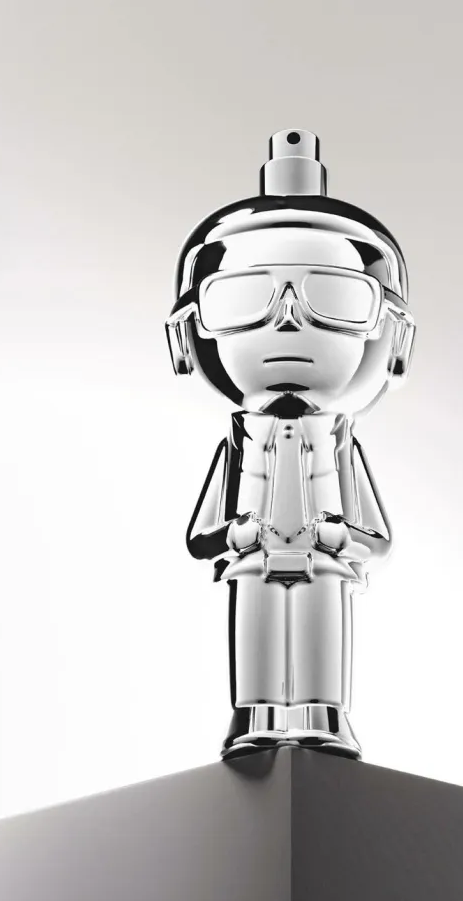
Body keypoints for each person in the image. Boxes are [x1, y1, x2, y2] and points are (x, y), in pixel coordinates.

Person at [165, 130, 415, 758]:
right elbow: (199, 533)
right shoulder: (239, 441)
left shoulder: (340, 441)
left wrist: (342, 539)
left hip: (325, 569)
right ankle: (252, 714)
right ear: (185, 336)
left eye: (332, 296)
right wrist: (234, 537)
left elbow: (379, 536)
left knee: (319, 631)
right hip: (250, 569)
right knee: (254, 632)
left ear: (395, 338)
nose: (286, 319)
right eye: (245, 297)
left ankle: (323, 714)